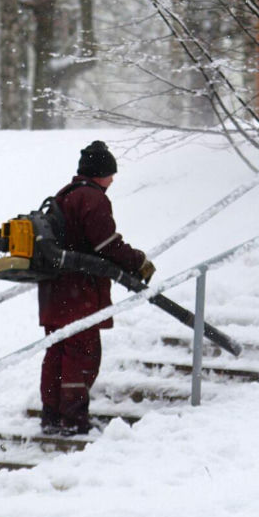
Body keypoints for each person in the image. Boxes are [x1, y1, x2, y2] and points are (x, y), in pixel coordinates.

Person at [38, 140, 155, 435]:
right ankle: (74, 422)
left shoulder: (63, 195)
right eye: (111, 173)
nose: (113, 179)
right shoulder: (92, 199)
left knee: (57, 353)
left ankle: (51, 417)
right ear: (100, 172)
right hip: (79, 293)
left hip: (54, 290)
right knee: (82, 356)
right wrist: (137, 260)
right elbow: (106, 245)